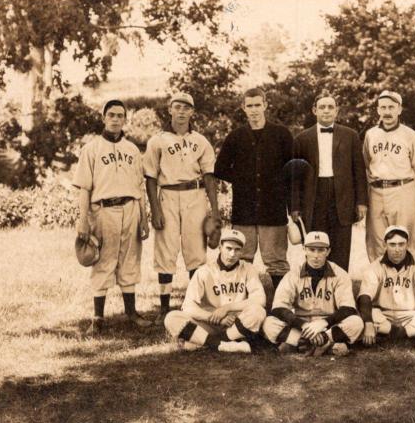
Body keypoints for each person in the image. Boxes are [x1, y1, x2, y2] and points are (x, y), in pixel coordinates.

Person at [73, 99, 151, 335]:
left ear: (125, 119)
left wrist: (144, 218)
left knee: (129, 259)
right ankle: (98, 318)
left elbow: (140, 186)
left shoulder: (132, 150)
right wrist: (83, 219)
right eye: (112, 115)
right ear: (104, 118)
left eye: (120, 115)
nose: (116, 119)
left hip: (130, 208)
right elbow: (84, 188)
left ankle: (131, 314)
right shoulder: (91, 149)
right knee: (103, 260)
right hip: (103, 209)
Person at [144, 92, 220, 327]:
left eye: (186, 108)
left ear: (192, 112)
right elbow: (150, 178)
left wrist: (215, 211)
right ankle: (164, 307)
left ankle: (195, 304)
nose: (182, 111)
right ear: (170, 110)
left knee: (195, 251)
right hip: (167, 194)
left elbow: (209, 177)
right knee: (165, 251)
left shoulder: (201, 141)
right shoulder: (157, 140)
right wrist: (155, 209)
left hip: (194, 195)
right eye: (177, 107)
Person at [214, 88, 293, 292]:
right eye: (249, 106)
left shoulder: (281, 134)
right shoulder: (236, 137)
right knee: (242, 257)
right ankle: (241, 300)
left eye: (258, 105)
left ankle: (280, 304)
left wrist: (278, 188)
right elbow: (220, 169)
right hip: (244, 209)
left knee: (276, 260)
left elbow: (292, 170)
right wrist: (243, 180)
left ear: (265, 105)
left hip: (273, 209)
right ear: (243, 108)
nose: (254, 110)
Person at [290, 91, 368, 271]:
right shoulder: (302, 138)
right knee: (317, 242)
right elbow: (295, 177)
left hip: (342, 196)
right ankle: (316, 285)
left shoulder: (350, 135)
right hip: (314, 197)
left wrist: (361, 202)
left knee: (341, 245)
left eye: (330, 107)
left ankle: (340, 289)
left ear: (336, 111)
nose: (326, 110)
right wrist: (295, 206)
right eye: (322, 107)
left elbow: (359, 171)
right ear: (314, 110)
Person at [262, 231, 364, 356]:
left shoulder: (340, 274)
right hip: (301, 324)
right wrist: (303, 325)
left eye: (321, 250)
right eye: (312, 249)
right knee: (269, 323)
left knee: (356, 322)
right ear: (304, 249)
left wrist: (323, 323)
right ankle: (325, 345)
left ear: (328, 251)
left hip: (328, 325)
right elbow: (278, 308)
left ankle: (301, 344)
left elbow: (348, 308)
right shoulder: (293, 274)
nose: (316, 255)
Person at [165, 229, 267, 353]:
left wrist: (227, 308)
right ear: (220, 247)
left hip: (236, 324)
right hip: (210, 324)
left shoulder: (248, 269)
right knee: (171, 318)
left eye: (237, 250)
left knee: (258, 312)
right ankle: (223, 345)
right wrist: (213, 317)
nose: (232, 254)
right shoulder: (204, 271)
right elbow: (188, 307)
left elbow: (260, 299)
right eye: (228, 248)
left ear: (242, 251)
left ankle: (208, 342)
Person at [362, 90, 415, 262]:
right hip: (376, 191)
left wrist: (405, 188)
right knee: (376, 240)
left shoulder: (411, 136)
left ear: (399, 109)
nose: (387, 111)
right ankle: (379, 282)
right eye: (383, 107)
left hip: (402, 190)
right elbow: (365, 165)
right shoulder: (371, 134)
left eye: (391, 107)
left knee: (405, 238)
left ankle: (408, 280)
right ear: (378, 110)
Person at [358, 226, 415, 352]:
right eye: (392, 244)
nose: (397, 249)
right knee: (364, 316)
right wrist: (368, 322)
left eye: (401, 244)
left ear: (407, 244)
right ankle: (411, 334)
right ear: (385, 245)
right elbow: (364, 297)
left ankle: (391, 334)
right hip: (384, 314)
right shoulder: (374, 267)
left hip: (410, 315)